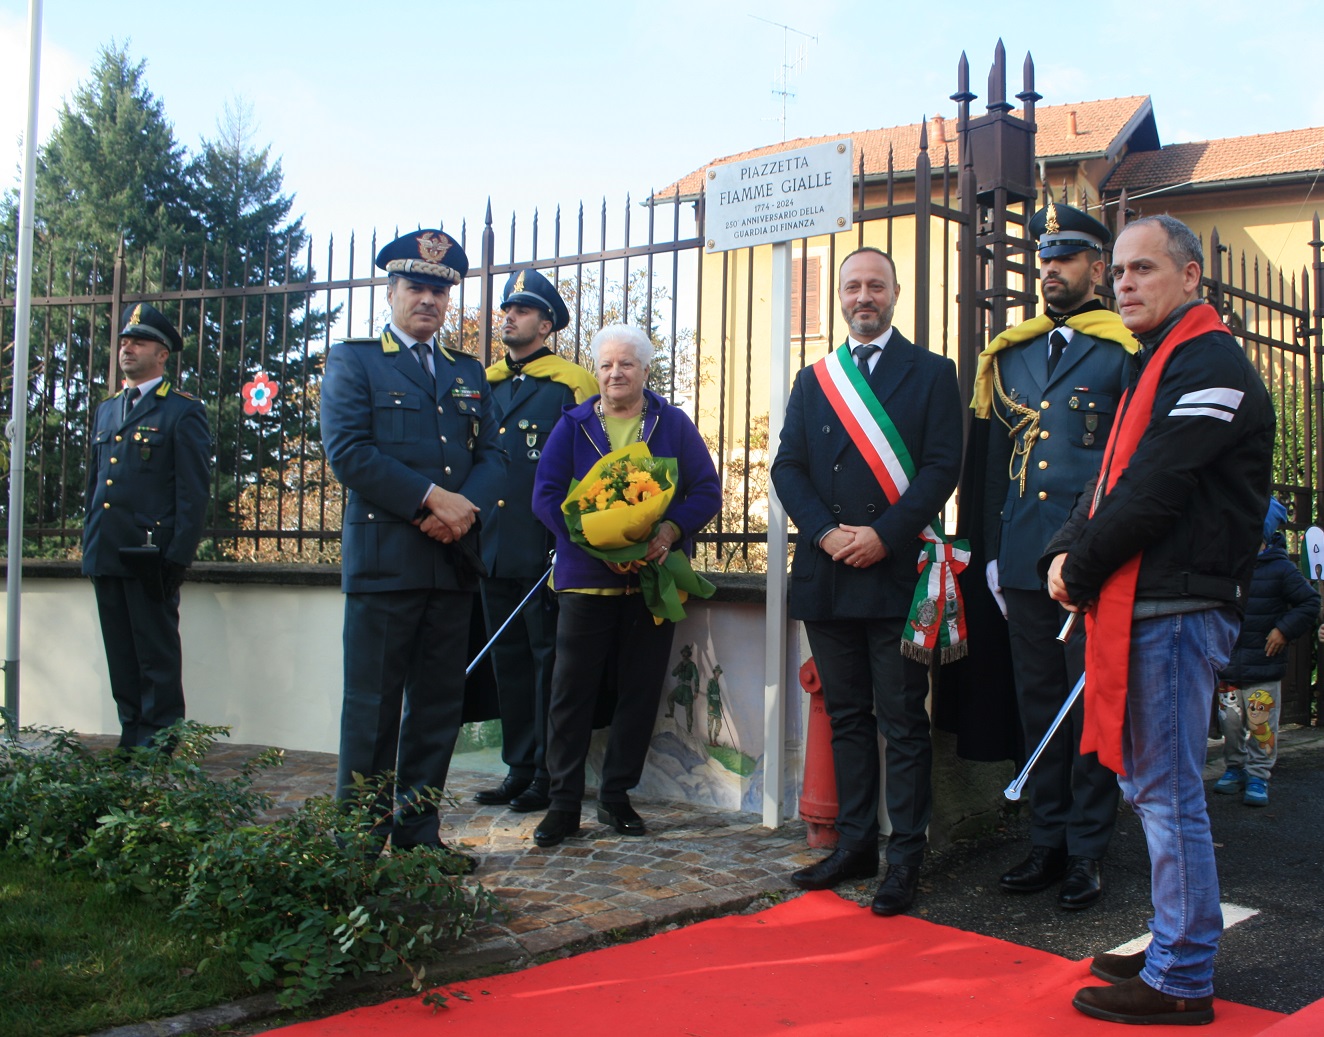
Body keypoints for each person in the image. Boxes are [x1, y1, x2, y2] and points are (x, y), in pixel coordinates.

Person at [1043, 214, 1273, 1025]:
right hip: (1148, 602)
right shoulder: (1157, 365)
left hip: (1175, 607)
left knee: (1168, 793)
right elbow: (1110, 480)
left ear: (1192, 278)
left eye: (1146, 268)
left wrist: (1081, 561)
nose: (1126, 282)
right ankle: (1177, 934)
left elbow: (1158, 487)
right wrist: (1068, 548)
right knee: (1152, 787)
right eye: (1121, 271)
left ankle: (1182, 976)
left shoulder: (1209, 362)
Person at [770, 246, 963, 917]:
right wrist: (826, 533)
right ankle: (855, 844)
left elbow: (943, 467)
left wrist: (884, 534)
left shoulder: (934, 373)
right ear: (841, 296)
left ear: (896, 292)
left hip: (896, 574)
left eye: (874, 285)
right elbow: (787, 467)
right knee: (847, 716)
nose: (862, 296)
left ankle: (904, 856)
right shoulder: (813, 378)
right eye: (852, 286)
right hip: (828, 572)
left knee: (904, 720)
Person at [320, 228, 504, 862]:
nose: (428, 300)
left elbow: (495, 453)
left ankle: (418, 835)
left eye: (439, 290)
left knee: (436, 710)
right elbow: (349, 454)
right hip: (385, 565)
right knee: (371, 710)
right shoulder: (355, 360)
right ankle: (359, 845)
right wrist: (433, 499)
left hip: (451, 561)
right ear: (391, 291)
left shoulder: (466, 371)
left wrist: (462, 510)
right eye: (417, 287)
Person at [973, 201, 1138, 910]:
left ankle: (1089, 849)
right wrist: (988, 551)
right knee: (1039, 702)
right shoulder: (1008, 353)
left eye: (1065, 259)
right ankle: (1047, 840)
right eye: (1044, 261)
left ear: (1097, 267)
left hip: (1091, 560)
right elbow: (991, 464)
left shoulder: (1123, 350)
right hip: (1021, 556)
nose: (1051, 272)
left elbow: (1129, 464)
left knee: (1090, 706)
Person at [530, 324, 720, 847]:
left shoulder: (673, 425)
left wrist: (669, 529)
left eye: (627, 365)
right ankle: (564, 803)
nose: (616, 374)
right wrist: (595, 544)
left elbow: (705, 489)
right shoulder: (571, 426)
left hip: (652, 581)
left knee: (639, 692)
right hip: (585, 581)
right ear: (598, 370)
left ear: (644, 370)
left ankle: (616, 797)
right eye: (608, 365)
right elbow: (546, 496)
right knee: (571, 694)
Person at [474, 268, 598, 813]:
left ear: (546, 324)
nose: (510, 317)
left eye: (522, 311)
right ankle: (518, 767)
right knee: (510, 662)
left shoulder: (572, 383)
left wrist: (568, 537)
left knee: (551, 663)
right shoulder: (485, 380)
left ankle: (551, 774)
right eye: (507, 309)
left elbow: (592, 468)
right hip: (493, 544)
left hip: (545, 545)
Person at [82, 303, 211, 750]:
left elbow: (193, 494)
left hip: (149, 554)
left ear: (162, 354)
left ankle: (159, 742)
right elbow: (97, 483)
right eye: (123, 341)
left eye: (138, 341)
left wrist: (177, 557)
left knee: (154, 654)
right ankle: (130, 734)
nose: (127, 348)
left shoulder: (181, 411)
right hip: (106, 549)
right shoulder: (107, 411)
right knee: (120, 653)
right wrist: (89, 543)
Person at [1213, 498, 1318, 807]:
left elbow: (1309, 602)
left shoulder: (1280, 568)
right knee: (1230, 722)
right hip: (1230, 663)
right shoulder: (1228, 567)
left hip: (1264, 664)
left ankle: (1258, 774)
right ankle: (1235, 768)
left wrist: (1284, 630)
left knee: (1262, 725)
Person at [666, 643, 699, 733]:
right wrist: (678, 668)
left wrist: (696, 690)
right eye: (683, 653)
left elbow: (696, 677)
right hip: (680, 688)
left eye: (686, 653)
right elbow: (673, 673)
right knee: (669, 698)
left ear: (688, 654)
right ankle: (671, 714)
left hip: (687, 690)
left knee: (689, 712)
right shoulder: (680, 664)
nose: (684, 655)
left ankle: (689, 731)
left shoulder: (692, 665)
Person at [706, 664, 725, 746]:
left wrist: (721, 705)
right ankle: (710, 741)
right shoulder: (711, 681)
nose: (718, 674)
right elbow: (708, 693)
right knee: (710, 724)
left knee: (719, 724)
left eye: (719, 673)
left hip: (717, 707)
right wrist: (710, 704)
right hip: (712, 706)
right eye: (717, 672)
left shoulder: (717, 684)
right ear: (714, 673)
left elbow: (718, 696)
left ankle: (715, 741)